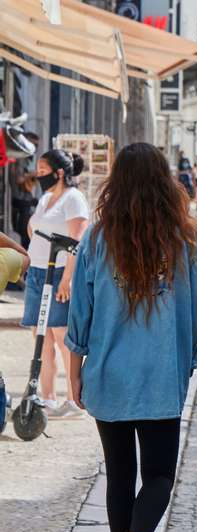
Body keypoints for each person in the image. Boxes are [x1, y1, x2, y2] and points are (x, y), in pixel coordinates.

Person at [63, 142, 197, 532]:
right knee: (161, 472)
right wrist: (188, 361)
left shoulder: (98, 238)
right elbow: (196, 312)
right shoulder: (184, 240)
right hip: (161, 370)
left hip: (108, 369)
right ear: (165, 183)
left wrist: (74, 370)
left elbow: (79, 311)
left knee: (120, 474)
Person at [25, 148, 89, 418]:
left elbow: (77, 240)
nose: (39, 176)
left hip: (60, 271)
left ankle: (73, 399)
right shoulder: (46, 197)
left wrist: (68, 279)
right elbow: (33, 227)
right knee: (41, 336)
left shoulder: (74, 199)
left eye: (43, 171)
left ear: (59, 172)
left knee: (62, 334)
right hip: (38, 272)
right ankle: (47, 396)